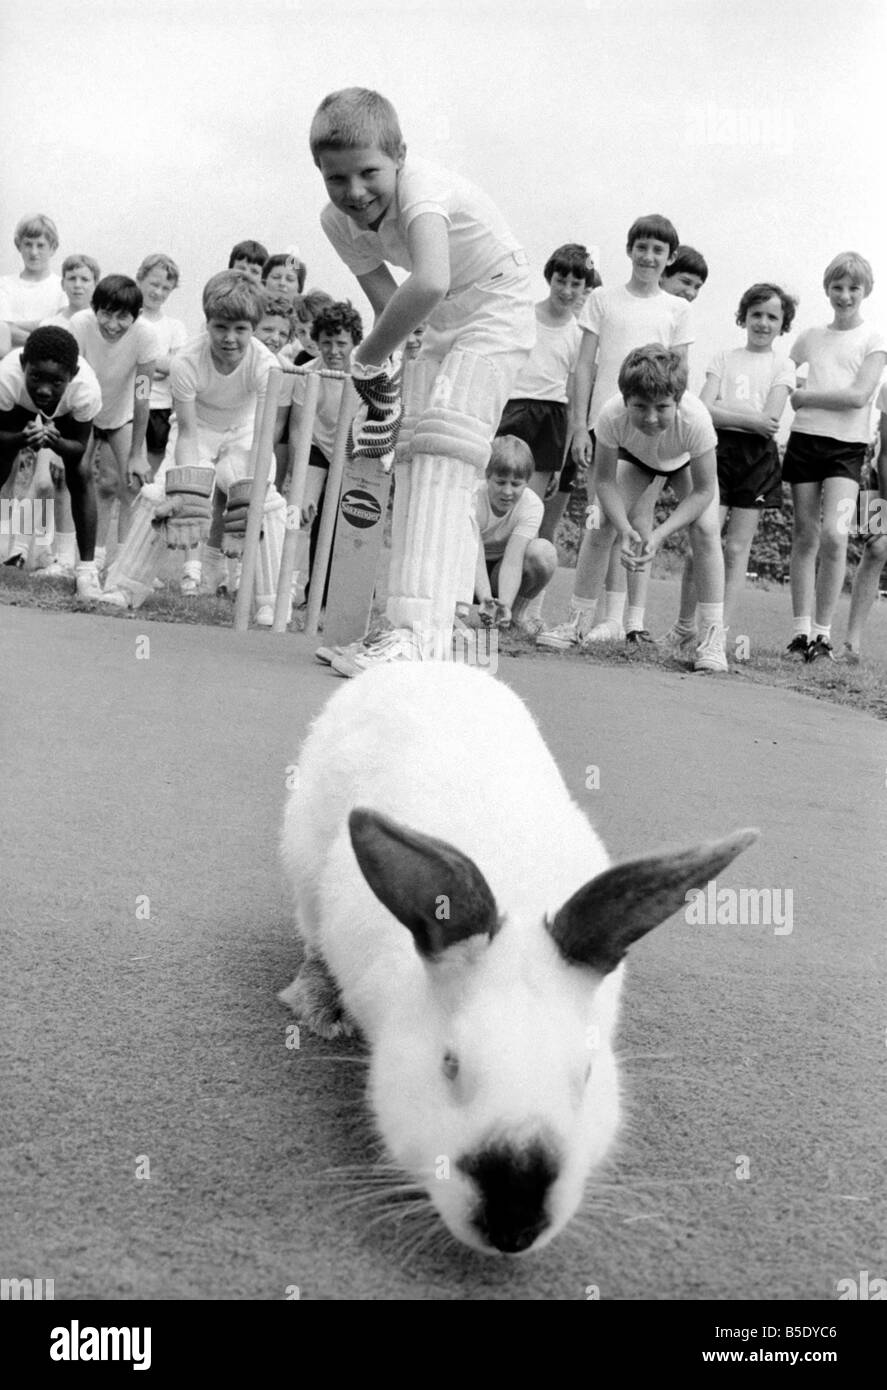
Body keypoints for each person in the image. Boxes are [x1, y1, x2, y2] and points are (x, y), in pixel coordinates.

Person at [308, 86, 535, 675]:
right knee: (413, 458)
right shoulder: (337, 223)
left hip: (497, 305)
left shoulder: (422, 188)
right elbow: (393, 303)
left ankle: (421, 632)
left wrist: (366, 357)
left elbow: (428, 279)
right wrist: (384, 365)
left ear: (400, 155)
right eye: (337, 179)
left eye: (368, 172)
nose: (354, 193)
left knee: (443, 449)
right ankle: (434, 629)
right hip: (439, 320)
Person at [98, 271, 288, 625]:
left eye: (241, 329)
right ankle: (124, 587)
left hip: (245, 432)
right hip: (198, 428)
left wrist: (253, 491)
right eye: (220, 327)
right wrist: (189, 488)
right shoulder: (187, 361)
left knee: (264, 500)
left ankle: (271, 601)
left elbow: (264, 435)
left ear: (253, 327)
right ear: (207, 323)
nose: (229, 339)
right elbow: (186, 433)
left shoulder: (266, 365)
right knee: (162, 495)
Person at [538, 215, 692, 650]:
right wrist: (579, 427)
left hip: (652, 430)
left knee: (637, 518)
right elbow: (584, 365)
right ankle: (592, 619)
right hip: (605, 426)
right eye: (641, 247)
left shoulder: (677, 309)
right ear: (629, 250)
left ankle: (628, 621)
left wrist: (666, 430)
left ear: (669, 258)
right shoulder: (602, 299)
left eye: (658, 251)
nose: (648, 257)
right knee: (601, 517)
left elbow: (679, 374)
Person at [539, 345, 727, 671]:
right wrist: (625, 528)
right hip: (637, 460)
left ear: (678, 400)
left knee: (707, 531)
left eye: (662, 407)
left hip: (682, 465)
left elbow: (704, 491)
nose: (651, 418)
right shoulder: (611, 414)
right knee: (598, 523)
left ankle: (712, 640)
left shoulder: (696, 420)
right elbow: (605, 482)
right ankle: (577, 622)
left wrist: (659, 534)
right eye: (639, 406)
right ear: (626, 400)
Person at [660, 282, 796, 650]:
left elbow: (770, 421)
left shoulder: (783, 365)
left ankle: (717, 634)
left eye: (772, 317)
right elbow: (703, 408)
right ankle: (686, 624)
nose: (763, 323)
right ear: (744, 317)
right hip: (716, 453)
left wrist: (729, 412)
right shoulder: (723, 357)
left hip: (758, 460)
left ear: (783, 323)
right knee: (700, 542)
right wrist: (746, 416)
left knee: (736, 550)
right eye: (756, 315)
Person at [782, 251, 887, 661]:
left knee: (836, 535)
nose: (844, 296)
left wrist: (807, 395)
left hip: (848, 450)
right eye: (837, 287)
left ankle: (829, 637)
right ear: (827, 289)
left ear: (866, 292)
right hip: (806, 441)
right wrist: (789, 393)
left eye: (853, 289)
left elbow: (859, 396)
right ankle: (801, 633)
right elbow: (784, 373)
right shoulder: (810, 336)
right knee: (806, 535)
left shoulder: (874, 339)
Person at [0, 325, 102, 597]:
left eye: (55, 382)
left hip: (66, 411)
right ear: (23, 364)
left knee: (80, 473)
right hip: (19, 405)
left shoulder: (85, 389)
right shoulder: (6, 377)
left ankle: (87, 570)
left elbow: (79, 447)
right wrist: (22, 438)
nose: (44, 390)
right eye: (35, 377)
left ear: (73, 375)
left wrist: (55, 442)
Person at [495, 243, 591, 504]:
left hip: (551, 420)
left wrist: (559, 466)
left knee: (529, 508)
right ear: (550, 278)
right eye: (561, 281)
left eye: (576, 284)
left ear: (585, 288)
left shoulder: (580, 335)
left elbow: (572, 402)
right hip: (511, 410)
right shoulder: (523, 316)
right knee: (494, 497)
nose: (567, 290)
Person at [69, 275, 158, 556]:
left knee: (132, 483)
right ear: (94, 307)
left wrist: (136, 454)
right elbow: (71, 381)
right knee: (65, 477)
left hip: (122, 417)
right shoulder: (80, 325)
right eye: (105, 313)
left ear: (137, 315)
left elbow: (142, 394)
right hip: (82, 413)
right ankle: (71, 556)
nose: (111, 324)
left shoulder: (145, 335)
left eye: (122, 317)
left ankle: (123, 563)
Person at [287, 300, 363, 603]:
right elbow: (297, 428)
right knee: (304, 513)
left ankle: (352, 596)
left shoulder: (366, 372)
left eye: (341, 343)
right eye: (326, 343)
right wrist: (299, 477)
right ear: (317, 342)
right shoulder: (309, 374)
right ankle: (305, 592)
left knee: (349, 520)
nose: (333, 351)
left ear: (354, 343)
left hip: (354, 450)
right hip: (317, 447)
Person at [472, 434, 557, 635]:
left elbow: (513, 560)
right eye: (500, 482)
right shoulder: (473, 497)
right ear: (487, 475)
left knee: (543, 553)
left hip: (499, 570)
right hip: (466, 569)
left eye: (516, 484)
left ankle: (514, 617)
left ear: (527, 482)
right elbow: (473, 555)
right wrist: (485, 598)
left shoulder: (532, 505)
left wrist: (504, 606)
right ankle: (450, 610)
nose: (508, 491)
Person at [842, 382, 887, 661]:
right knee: (876, 548)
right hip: (880, 477)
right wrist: (884, 508)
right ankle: (851, 644)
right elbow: (884, 454)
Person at [135, 254, 188, 473]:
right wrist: (157, 364)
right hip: (131, 406)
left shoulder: (174, 327)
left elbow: (174, 367)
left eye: (166, 288)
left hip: (159, 409)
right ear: (140, 279)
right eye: (154, 284)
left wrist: (143, 361)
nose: (158, 292)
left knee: (149, 474)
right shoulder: (130, 320)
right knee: (115, 478)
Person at [0, 215, 67, 346]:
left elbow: (61, 330)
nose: (34, 252)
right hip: (8, 360)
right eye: (28, 244)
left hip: (50, 362)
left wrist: (14, 326)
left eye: (41, 245)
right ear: (18, 245)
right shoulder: (4, 285)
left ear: (53, 247)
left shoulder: (63, 287)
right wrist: (44, 338)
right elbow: (3, 332)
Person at [41, 254, 101, 325]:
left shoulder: (104, 326)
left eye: (85, 279)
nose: (77, 285)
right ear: (63, 284)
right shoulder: (49, 325)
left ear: (96, 285)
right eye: (72, 278)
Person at [287, 289, 335, 365]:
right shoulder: (301, 361)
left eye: (314, 329)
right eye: (302, 332)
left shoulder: (351, 359)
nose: (308, 338)